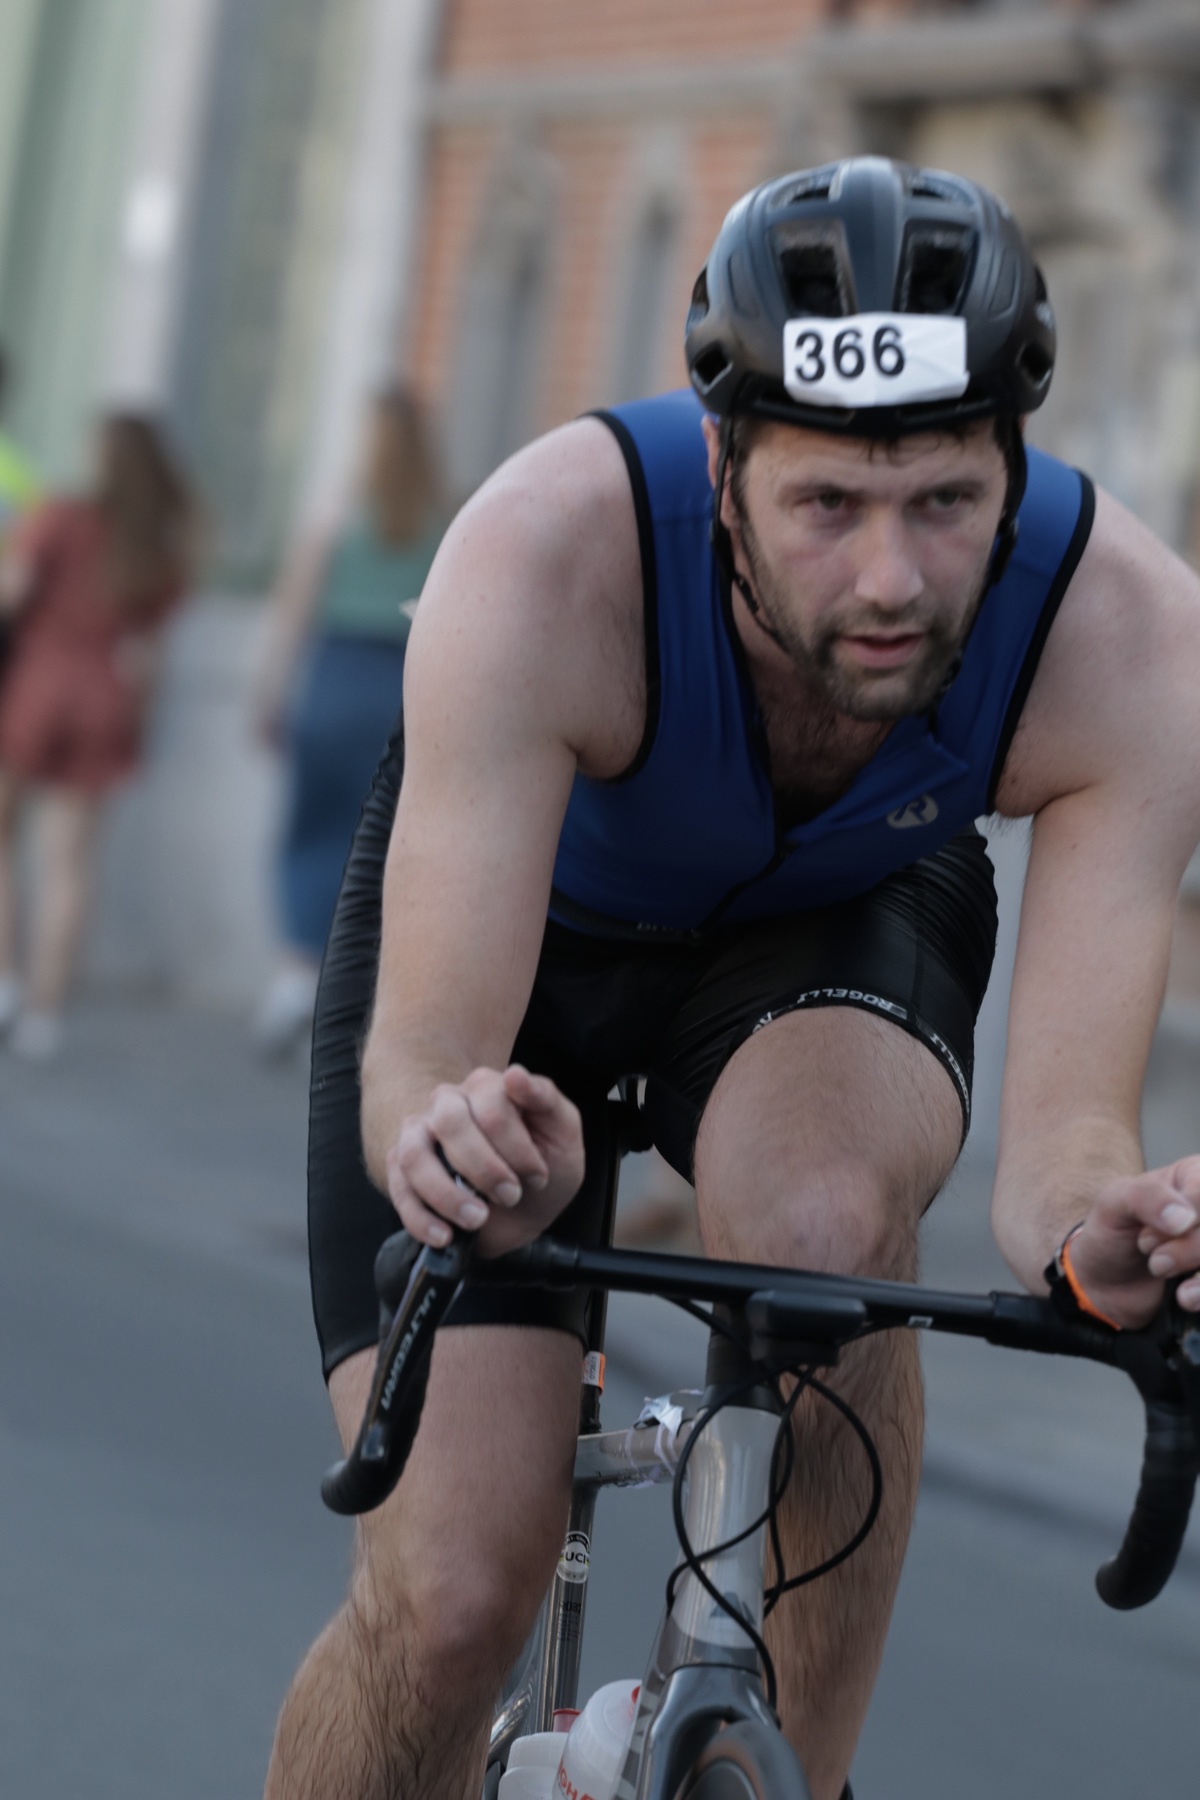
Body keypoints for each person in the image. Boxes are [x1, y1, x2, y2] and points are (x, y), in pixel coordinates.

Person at [265, 159, 1200, 1800]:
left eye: (945, 502)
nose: (893, 579)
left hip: (837, 912)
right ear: (724, 466)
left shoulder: (1127, 635)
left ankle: (785, 1775)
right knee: (454, 1596)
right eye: (828, 505)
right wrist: (454, 1139)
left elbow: (1064, 1154)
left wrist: (1099, 1239)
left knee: (830, 1227)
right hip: (527, 941)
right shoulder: (546, 553)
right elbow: (427, 1054)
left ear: (1013, 459)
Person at [250, 386, 446, 1056]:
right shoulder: (443, 522)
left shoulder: (336, 517)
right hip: (399, 689)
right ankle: (357, 991)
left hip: (332, 680)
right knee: (382, 844)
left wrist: (268, 694)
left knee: (310, 830)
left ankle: (294, 975)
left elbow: (291, 613)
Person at [0, 413, 196, 1057]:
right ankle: (44, 1015)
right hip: (106, 694)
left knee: (4, 838)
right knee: (71, 863)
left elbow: (14, 590)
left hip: (39, 684)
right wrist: (138, 719)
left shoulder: (62, 516)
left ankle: (4, 980)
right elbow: (152, 651)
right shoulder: (155, 545)